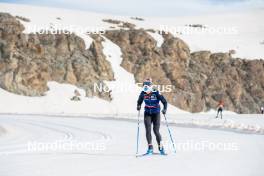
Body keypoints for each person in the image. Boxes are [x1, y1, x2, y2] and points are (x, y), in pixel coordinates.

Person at [137, 78, 167, 155]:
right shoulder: (143, 93)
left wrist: (164, 109)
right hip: (147, 113)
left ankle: (161, 148)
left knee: (156, 131)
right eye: (144, 87)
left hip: (156, 113)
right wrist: (139, 105)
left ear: (150, 87)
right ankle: (150, 148)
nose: (145, 90)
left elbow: (164, 101)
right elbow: (139, 100)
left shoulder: (156, 92)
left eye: (147, 87)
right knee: (148, 130)